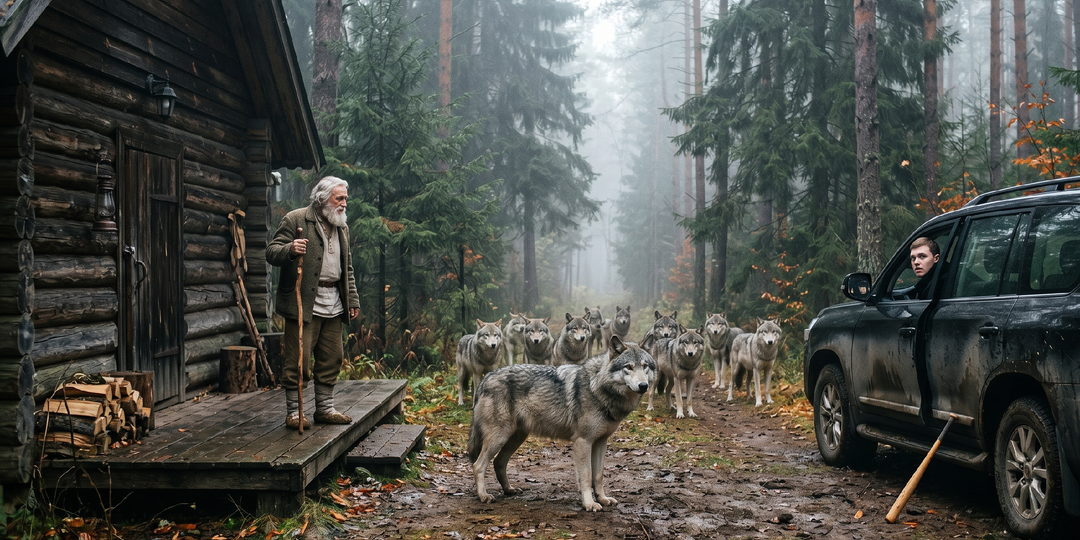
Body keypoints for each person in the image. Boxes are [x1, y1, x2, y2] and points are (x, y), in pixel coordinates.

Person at [267, 176, 360, 429]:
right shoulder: (296, 219)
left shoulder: (342, 227)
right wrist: (290, 249)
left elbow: (347, 267)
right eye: (338, 198)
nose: (344, 204)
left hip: (334, 301)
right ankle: (295, 412)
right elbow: (271, 251)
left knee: (332, 357)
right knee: (298, 359)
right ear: (322, 198)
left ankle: (325, 409)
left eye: (345, 199)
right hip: (303, 302)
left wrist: (352, 297)